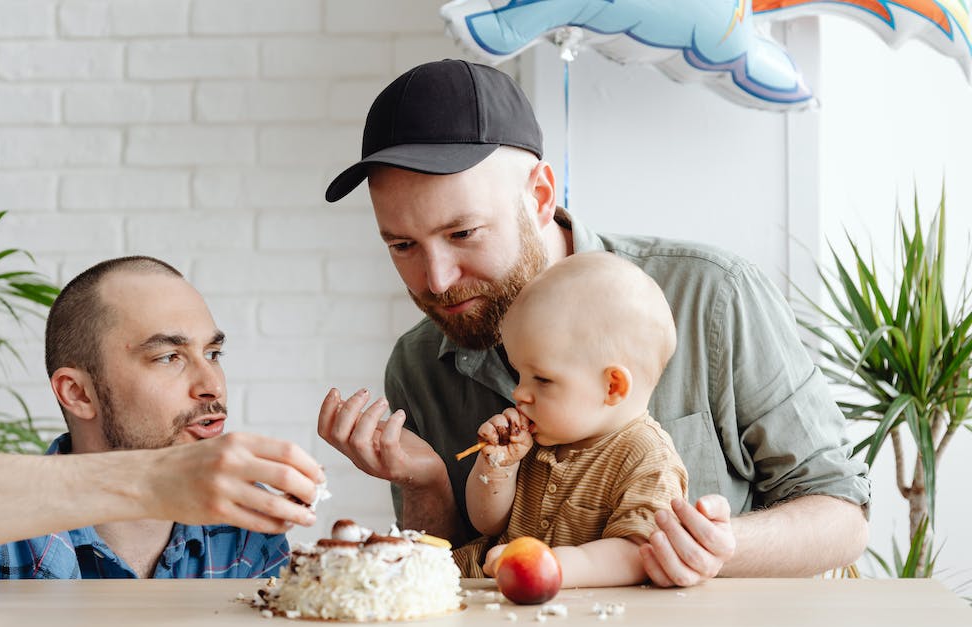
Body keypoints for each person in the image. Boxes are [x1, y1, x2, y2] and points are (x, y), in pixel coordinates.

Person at [317, 59, 870, 587]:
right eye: (402, 244)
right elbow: (447, 582)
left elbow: (841, 514)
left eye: (463, 234)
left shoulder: (711, 295)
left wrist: (710, 549)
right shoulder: (418, 364)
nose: (436, 281)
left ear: (538, 196)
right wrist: (429, 484)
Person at [0, 256, 325, 603]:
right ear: (78, 393)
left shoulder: (242, 531)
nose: (210, 384)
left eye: (213, 353)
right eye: (169, 356)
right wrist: (149, 480)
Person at [456, 251, 687, 587]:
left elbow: (638, 553)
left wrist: (548, 564)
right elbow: (486, 523)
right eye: (520, 375)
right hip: (481, 584)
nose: (520, 393)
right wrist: (497, 468)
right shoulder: (540, 436)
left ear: (612, 386)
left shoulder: (646, 459)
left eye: (542, 379)